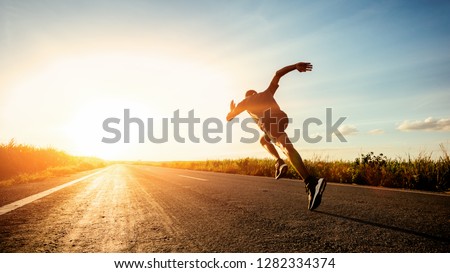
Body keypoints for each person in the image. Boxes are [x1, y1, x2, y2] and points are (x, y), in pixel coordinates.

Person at [226, 62, 326, 210]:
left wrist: (232, 110)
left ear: (247, 96)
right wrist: (295, 66)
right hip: (282, 119)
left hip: (269, 122)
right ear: (255, 93)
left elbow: (228, 118)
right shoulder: (267, 93)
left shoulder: (245, 102)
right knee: (264, 140)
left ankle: (310, 181)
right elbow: (278, 74)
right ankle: (279, 162)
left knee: (285, 147)